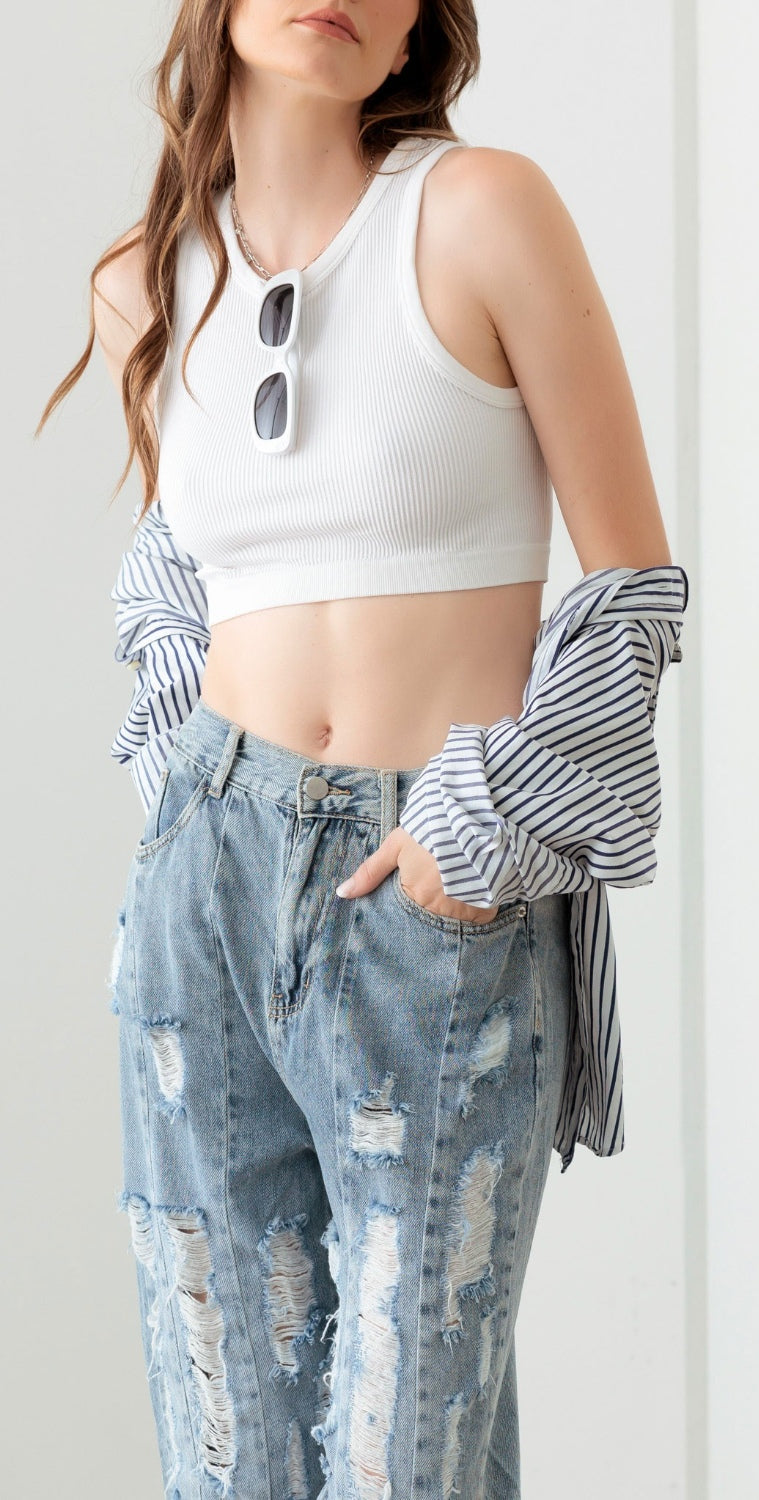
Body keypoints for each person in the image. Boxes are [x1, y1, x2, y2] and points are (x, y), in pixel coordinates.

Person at [37, 2, 688, 1496]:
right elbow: (166, 600)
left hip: (430, 888)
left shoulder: (480, 211)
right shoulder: (141, 285)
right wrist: (181, 823)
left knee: (412, 1462)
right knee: (226, 1455)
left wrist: (487, 829)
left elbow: (632, 582)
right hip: (205, 895)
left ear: (417, 26)